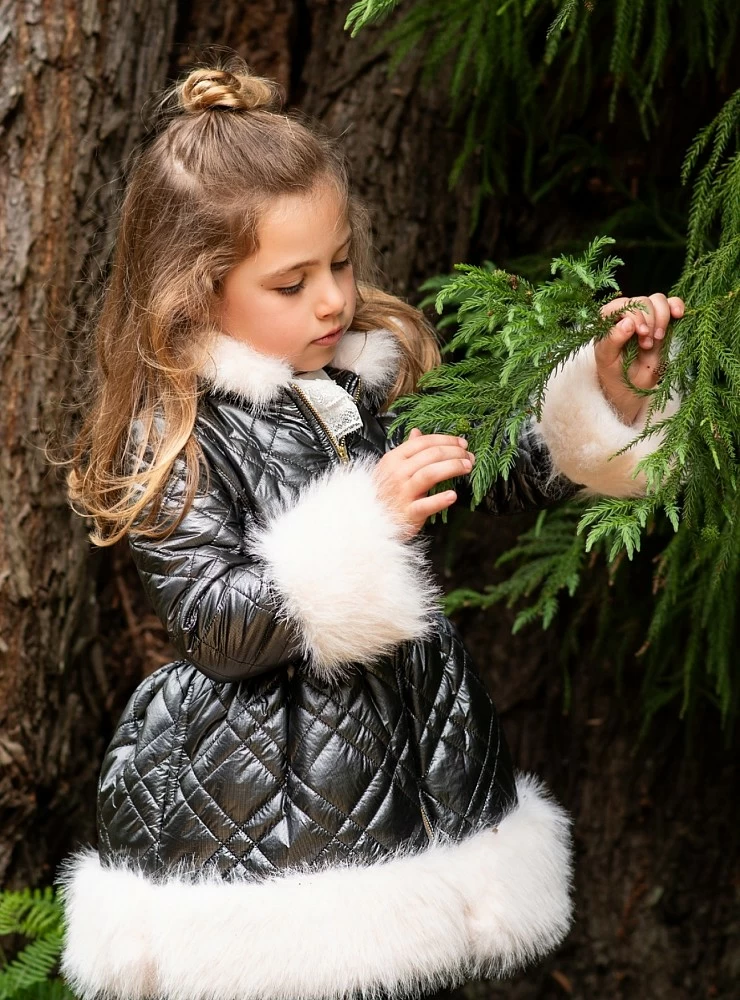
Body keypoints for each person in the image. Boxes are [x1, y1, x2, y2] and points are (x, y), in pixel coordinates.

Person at [59, 62, 684, 1000]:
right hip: (264, 806)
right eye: (292, 281)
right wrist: (364, 524)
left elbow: (474, 464)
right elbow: (216, 623)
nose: (333, 302)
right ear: (196, 293)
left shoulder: (354, 387)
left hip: (407, 762)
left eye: (341, 263)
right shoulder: (177, 439)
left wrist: (599, 396)